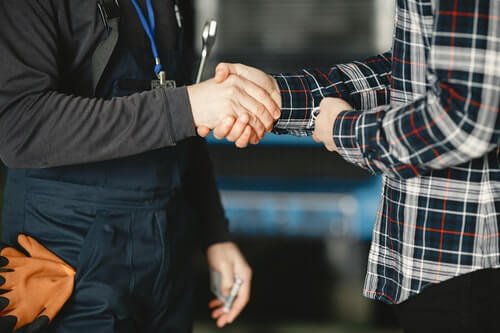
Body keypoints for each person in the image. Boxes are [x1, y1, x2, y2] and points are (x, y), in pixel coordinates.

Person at [205, 0, 500, 331]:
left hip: (468, 264)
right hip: (443, 265)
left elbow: (463, 118)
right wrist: (280, 97)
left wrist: (343, 129)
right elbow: (415, 75)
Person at [0, 0, 280, 332]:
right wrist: (186, 107)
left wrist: (214, 233)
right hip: (67, 255)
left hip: (166, 247)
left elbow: (185, 117)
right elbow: (21, 125)